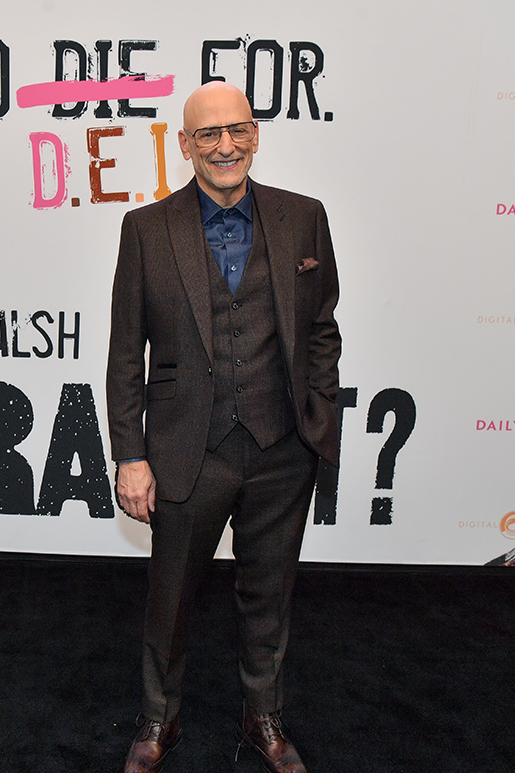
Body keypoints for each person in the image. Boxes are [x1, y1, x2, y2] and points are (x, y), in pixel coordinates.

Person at [106, 81, 341, 773]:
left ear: (256, 133)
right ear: (185, 145)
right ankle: (160, 716)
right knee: (171, 597)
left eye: (237, 129)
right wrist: (130, 455)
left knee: (270, 595)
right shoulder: (146, 229)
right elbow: (126, 353)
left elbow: (322, 327)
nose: (225, 145)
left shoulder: (304, 217)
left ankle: (262, 713)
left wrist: (317, 418)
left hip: (282, 448)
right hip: (188, 450)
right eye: (208, 134)